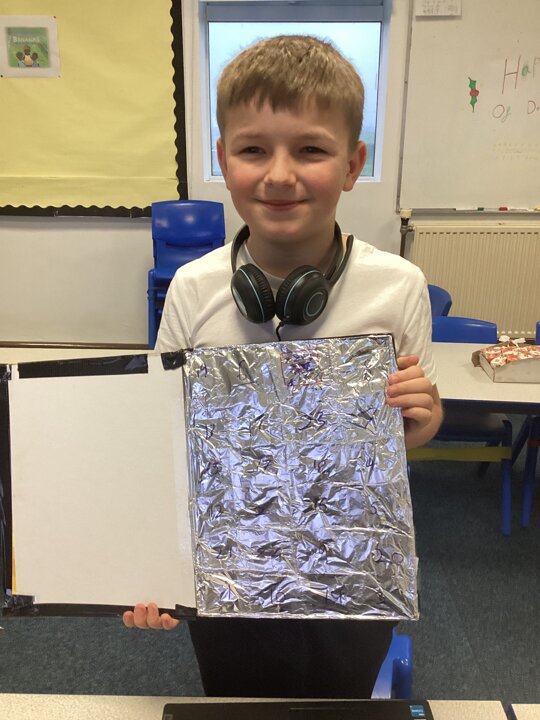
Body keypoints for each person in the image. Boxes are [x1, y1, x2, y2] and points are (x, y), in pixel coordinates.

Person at [123, 34, 443, 698]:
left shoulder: (397, 287)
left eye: (311, 150)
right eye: (253, 150)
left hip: (352, 568)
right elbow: (159, 442)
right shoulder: (193, 289)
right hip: (229, 570)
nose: (278, 174)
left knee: (341, 701)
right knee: (238, 700)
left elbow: (404, 437)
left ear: (352, 164)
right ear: (223, 160)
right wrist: (152, 564)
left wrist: (423, 419)